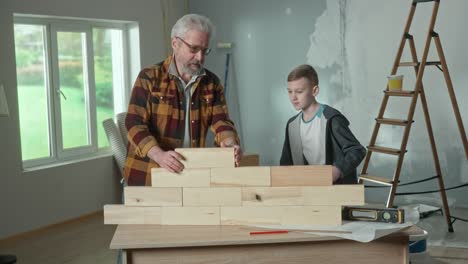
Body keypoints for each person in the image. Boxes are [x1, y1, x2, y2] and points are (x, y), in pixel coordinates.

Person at [123, 14, 241, 186]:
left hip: (187, 174)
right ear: (175, 44)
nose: (200, 57)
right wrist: (159, 155)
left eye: (204, 50)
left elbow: (221, 122)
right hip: (147, 174)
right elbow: (134, 123)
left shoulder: (212, 83)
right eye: (193, 49)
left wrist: (230, 144)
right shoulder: (149, 77)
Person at [280, 64, 366, 184]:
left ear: (314, 91)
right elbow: (286, 164)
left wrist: (338, 170)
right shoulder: (292, 125)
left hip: (336, 191)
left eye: (299, 91)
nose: (293, 97)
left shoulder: (331, 119)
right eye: (290, 92)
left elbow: (357, 150)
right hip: (308, 190)